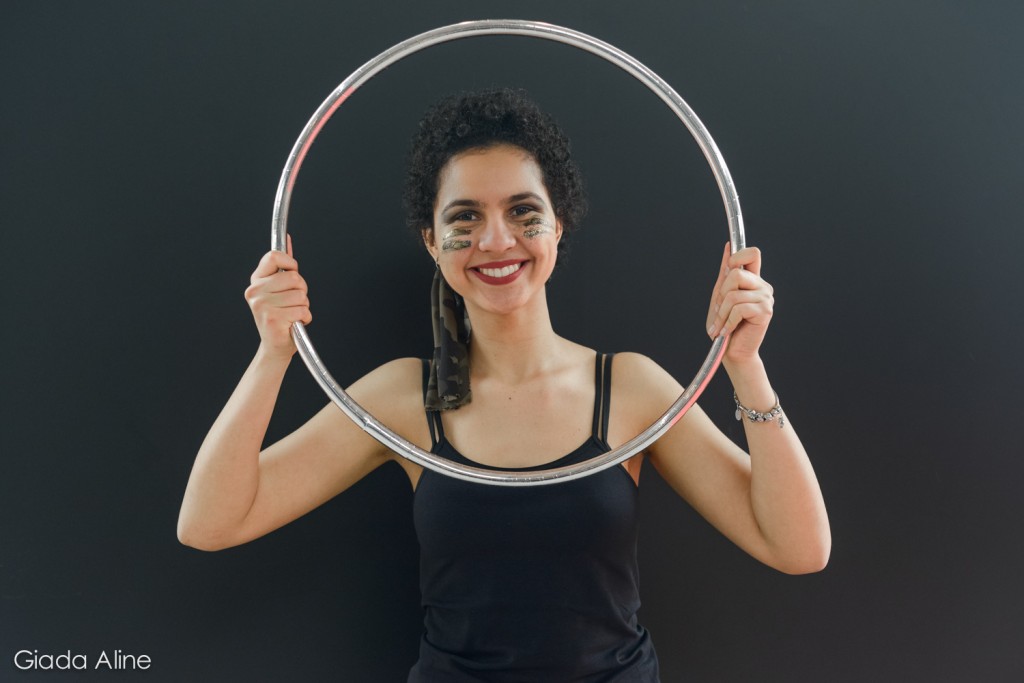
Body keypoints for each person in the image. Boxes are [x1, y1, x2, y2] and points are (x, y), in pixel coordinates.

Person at [177, 88, 830, 682]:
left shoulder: (629, 388)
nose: (495, 240)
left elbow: (798, 546)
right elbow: (211, 522)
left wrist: (744, 364)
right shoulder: (403, 399)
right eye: (464, 218)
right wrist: (274, 353)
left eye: (523, 211)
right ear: (432, 241)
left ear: (558, 225)